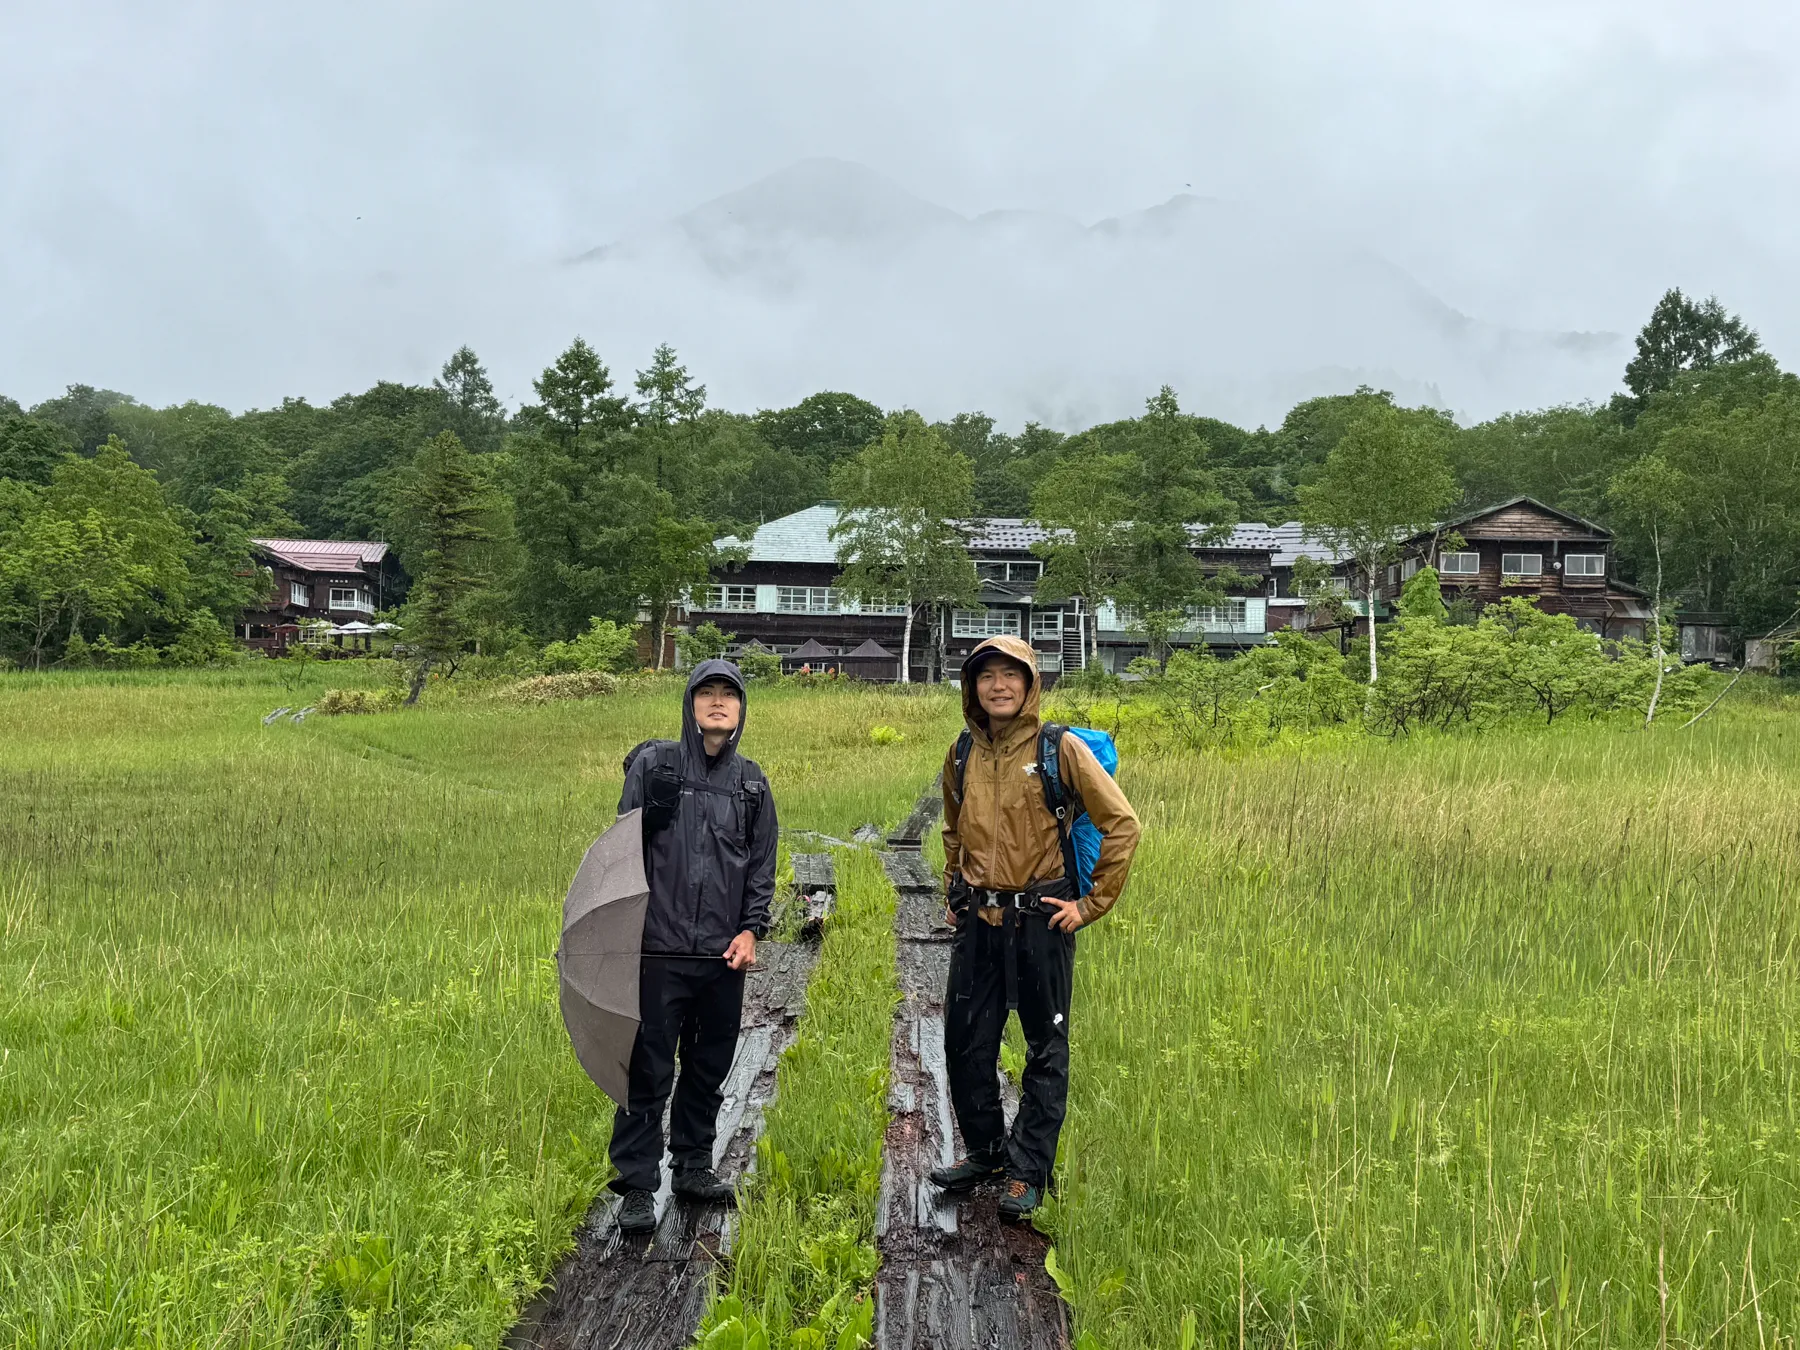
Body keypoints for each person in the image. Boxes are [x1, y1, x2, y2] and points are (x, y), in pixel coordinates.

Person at [930, 635, 1141, 1220]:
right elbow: (953, 829)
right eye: (986, 676)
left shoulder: (1061, 748)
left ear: (1030, 684)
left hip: (1042, 918)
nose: (999, 685)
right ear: (971, 687)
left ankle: (1027, 1171)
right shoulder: (960, 754)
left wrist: (1091, 904)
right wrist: (954, 887)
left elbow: (1122, 824)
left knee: (1044, 1047)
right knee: (965, 1041)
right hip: (979, 919)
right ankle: (987, 1151)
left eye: (1011, 674)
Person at [609, 658, 776, 1235]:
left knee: (708, 1066)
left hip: (721, 958)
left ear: (741, 710)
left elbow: (760, 866)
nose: (717, 702)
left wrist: (751, 929)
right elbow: (622, 851)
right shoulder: (656, 768)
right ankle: (636, 1185)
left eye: (728, 694)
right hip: (657, 953)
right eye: (706, 692)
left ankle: (693, 1166)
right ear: (689, 702)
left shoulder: (752, 784)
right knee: (646, 1072)